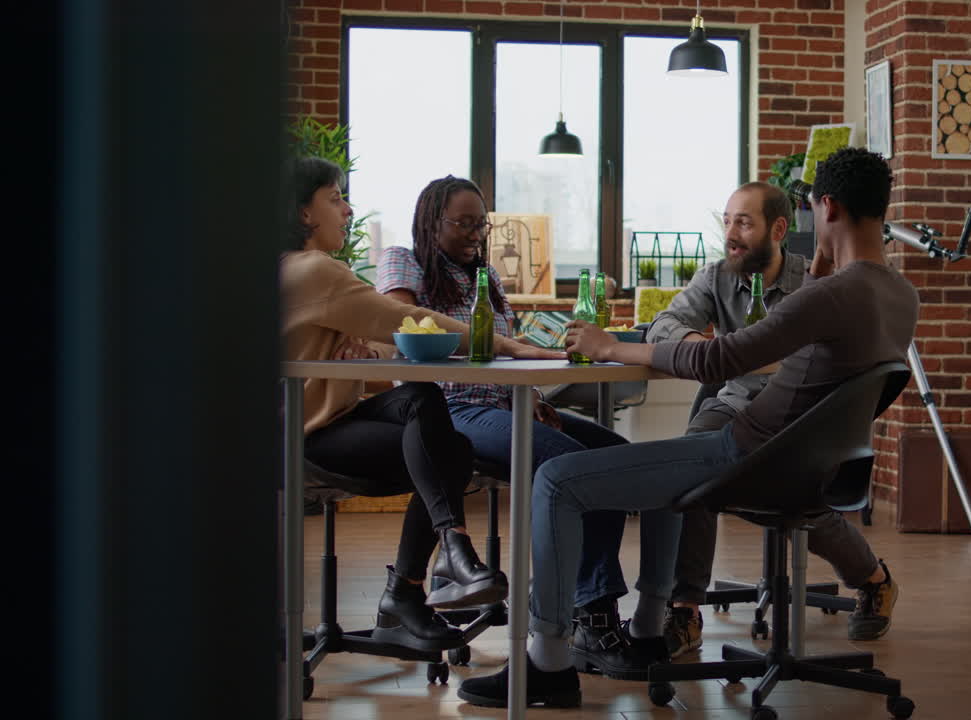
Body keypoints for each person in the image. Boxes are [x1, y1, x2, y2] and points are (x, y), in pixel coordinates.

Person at [457, 148, 918, 708]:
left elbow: (717, 362)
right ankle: (651, 628)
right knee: (658, 461)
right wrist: (824, 262)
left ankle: (545, 662)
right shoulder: (899, 295)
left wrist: (610, 346)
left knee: (556, 480)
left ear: (826, 207)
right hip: (801, 463)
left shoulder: (828, 294)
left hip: (744, 453)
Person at [281, 157, 559, 650]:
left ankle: (438, 565)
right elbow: (406, 317)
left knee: (430, 412)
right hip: (308, 436)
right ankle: (417, 580)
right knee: (447, 446)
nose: (348, 210)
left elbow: (375, 351)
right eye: (336, 198)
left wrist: (366, 353)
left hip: (335, 418)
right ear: (304, 213)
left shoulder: (303, 272)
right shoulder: (313, 270)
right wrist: (504, 343)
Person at [376, 176, 637, 677]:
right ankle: (580, 617)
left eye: (482, 223)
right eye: (464, 223)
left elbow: (505, 349)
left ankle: (589, 612)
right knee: (574, 468)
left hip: (503, 404)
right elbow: (406, 327)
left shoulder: (486, 276)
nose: (476, 234)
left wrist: (533, 394)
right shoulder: (401, 260)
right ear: (432, 222)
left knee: (616, 457)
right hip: (446, 411)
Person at [648, 181, 899, 656]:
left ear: (779, 228)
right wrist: (703, 346)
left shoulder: (818, 281)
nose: (731, 234)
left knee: (800, 491)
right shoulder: (716, 277)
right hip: (737, 405)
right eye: (727, 221)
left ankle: (874, 578)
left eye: (743, 222)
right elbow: (664, 323)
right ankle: (685, 609)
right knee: (690, 463)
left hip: (805, 414)